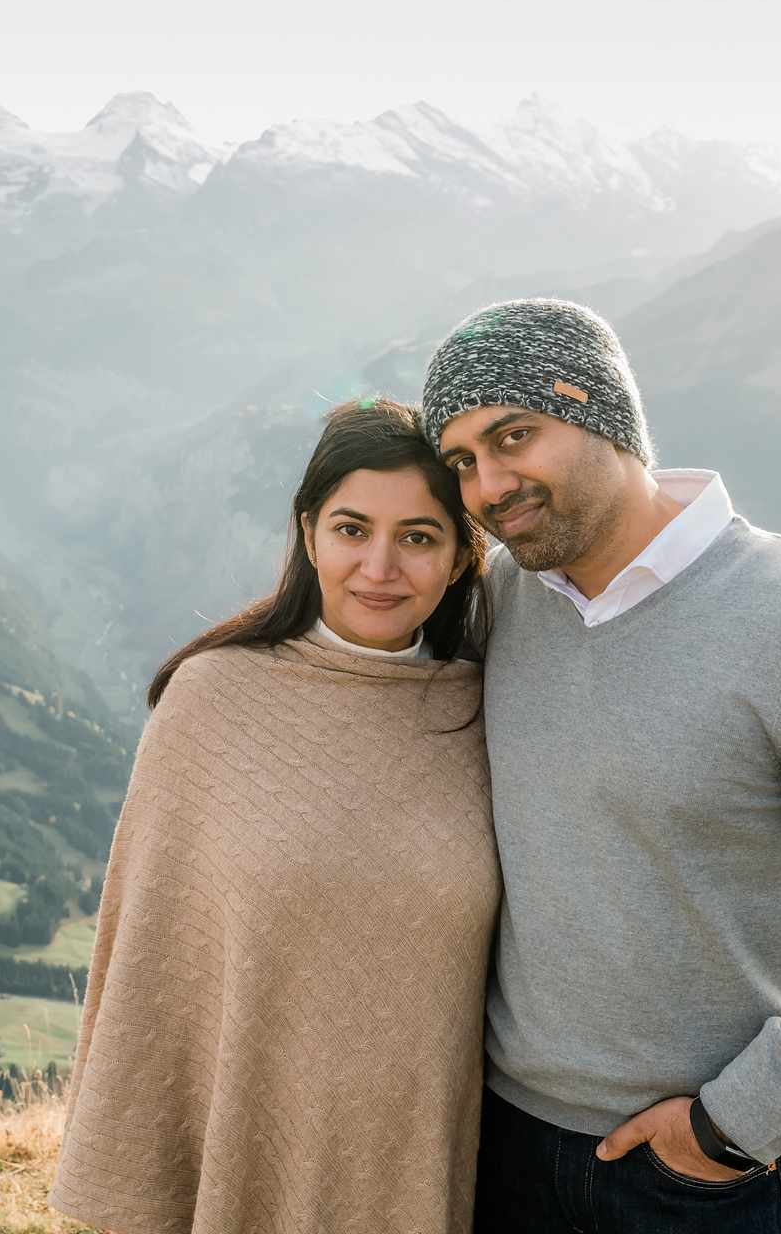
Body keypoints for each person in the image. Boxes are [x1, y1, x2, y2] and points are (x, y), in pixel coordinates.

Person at [423, 298, 781, 1234]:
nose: (487, 487)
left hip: (697, 1180)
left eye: (513, 435)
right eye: (462, 462)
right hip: (500, 1145)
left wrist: (731, 1128)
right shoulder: (503, 600)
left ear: (605, 414)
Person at [49, 398, 496, 1233]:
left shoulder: (486, 711)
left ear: (461, 554)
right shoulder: (212, 699)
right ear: (307, 531)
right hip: (253, 1141)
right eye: (352, 529)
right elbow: (155, 963)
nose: (380, 567)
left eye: (419, 537)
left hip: (432, 1151)